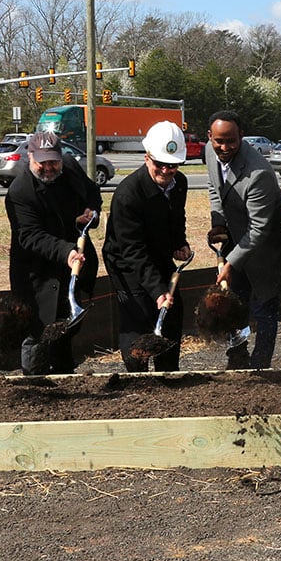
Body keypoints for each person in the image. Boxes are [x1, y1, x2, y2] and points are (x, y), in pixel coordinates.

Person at [4, 131, 102, 375]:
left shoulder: (69, 168)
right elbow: (30, 236)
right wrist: (66, 250)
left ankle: (64, 375)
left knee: (66, 328)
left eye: (53, 161)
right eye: (42, 162)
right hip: (36, 274)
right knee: (37, 332)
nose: (48, 167)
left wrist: (90, 211)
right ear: (29, 157)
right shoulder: (20, 192)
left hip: (70, 268)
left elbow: (92, 192)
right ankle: (34, 383)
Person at [207, 110, 281, 369]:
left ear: (241, 136)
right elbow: (215, 188)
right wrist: (219, 222)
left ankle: (260, 366)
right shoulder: (209, 152)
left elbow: (259, 228)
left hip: (270, 249)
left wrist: (230, 263)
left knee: (263, 308)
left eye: (231, 141)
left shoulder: (259, 173)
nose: (224, 147)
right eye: (219, 141)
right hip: (239, 239)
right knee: (236, 301)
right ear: (209, 137)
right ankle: (237, 358)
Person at [102, 120, 191, 372]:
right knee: (139, 314)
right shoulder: (128, 195)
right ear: (147, 158)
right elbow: (133, 251)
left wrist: (179, 242)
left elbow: (177, 217)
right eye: (160, 164)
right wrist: (156, 290)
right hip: (127, 263)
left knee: (172, 312)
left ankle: (167, 372)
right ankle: (137, 376)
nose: (166, 170)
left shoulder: (179, 184)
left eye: (172, 165)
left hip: (160, 253)